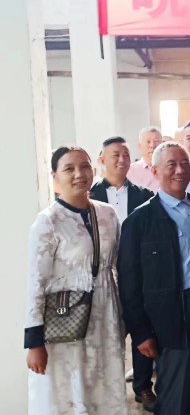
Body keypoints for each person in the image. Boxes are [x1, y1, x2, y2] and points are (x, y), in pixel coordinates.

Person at [118, 141, 190, 415]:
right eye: (171, 165)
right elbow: (129, 284)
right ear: (155, 171)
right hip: (173, 316)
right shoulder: (140, 221)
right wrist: (141, 332)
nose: (180, 170)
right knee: (176, 395)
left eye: (184, 164)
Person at [26, 147, 126, 414]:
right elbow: (36, 282)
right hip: (64, 320)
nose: (79, 174)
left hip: (106, 317)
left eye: (84, 166)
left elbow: (118, 266)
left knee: (105, 387)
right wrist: (34, 341)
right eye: (69, 169)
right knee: (69, 392)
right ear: (55, 176)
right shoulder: (47, 222)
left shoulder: (108, 214)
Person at [90, 136, 157, 411]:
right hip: (102, 276)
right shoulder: (89, 196)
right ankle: (108, 388)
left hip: (137, 274)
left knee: (142, 327)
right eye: (115, 155)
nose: (122, 160)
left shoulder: (144, 195)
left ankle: (143, 387)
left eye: (126, 155)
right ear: (102, 160)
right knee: (106, 335)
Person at [128, 126, 163, 192]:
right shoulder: (130, 171)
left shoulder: (170, 169)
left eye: (156, 141)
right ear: (140, 146)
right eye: (148, 142)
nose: (152, 145)